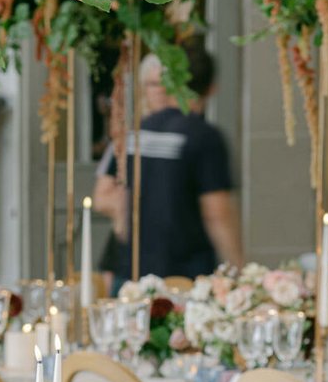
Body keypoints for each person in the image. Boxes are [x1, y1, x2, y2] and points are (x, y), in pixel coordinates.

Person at [93, 47, 241, 288]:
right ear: (212, 88)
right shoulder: (204, 137)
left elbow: (103, 195)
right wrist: (238, 268)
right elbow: (217, 212)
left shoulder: (134, 134)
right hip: (185, 276)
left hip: (130, 270)